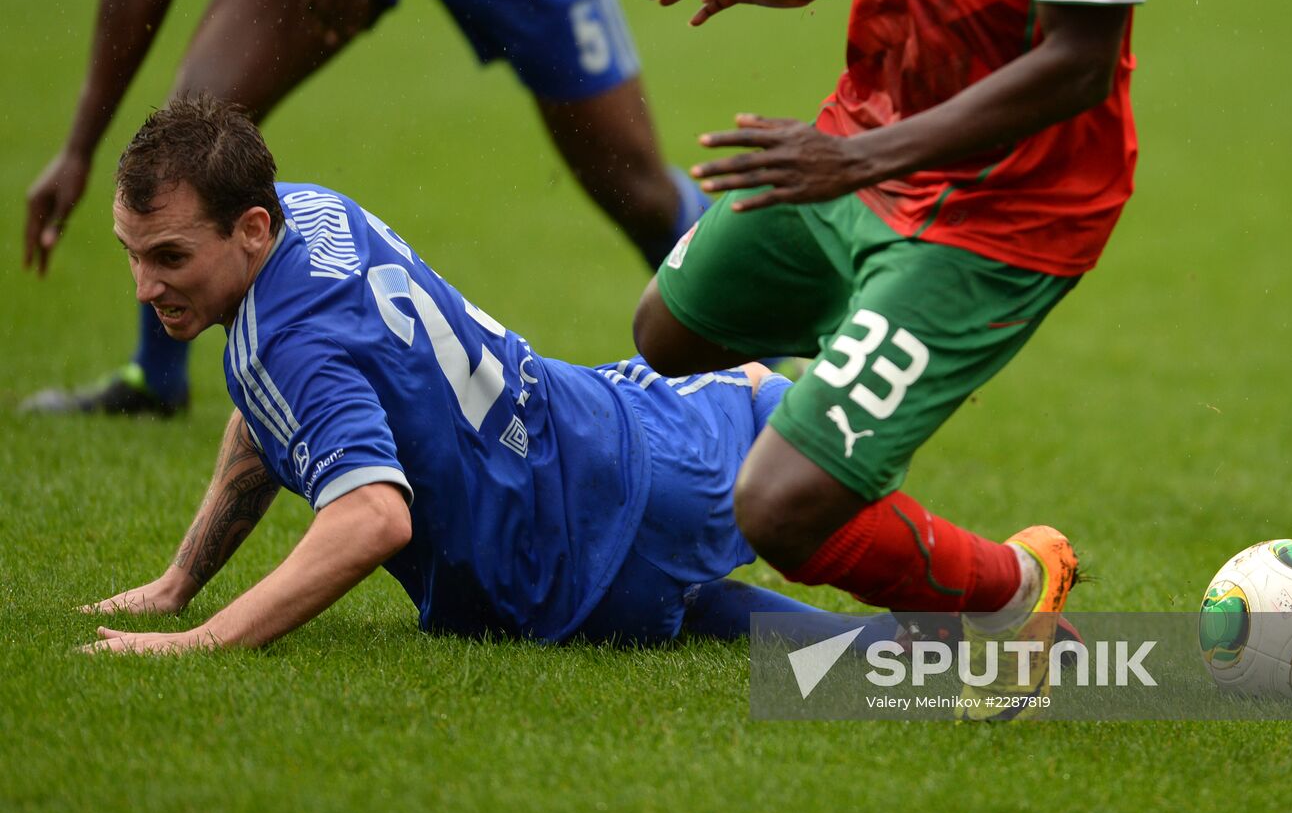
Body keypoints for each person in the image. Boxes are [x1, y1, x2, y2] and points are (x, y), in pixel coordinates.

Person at [632, 0, 1178, 719]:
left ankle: (1010, 589)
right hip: (867, 136)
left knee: (779, 509)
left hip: (992, 218)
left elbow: (1080, 64)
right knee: (671, 331)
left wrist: (857, 162)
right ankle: (846, 424)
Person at [82, 94, 842, 654]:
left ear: (250, 229)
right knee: (776, 414)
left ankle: (923, 309)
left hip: (580, 561)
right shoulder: (309, 209)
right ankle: (959, 671)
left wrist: (200, 640)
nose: (144, 287)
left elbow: (372, 516)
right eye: (131, 252)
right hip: (604, 481)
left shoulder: (284, 346)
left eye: (169, 257)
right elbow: (274, 415)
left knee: (785, 433)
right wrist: (180, 581)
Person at [23, 0, 707, 417]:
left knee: (634, 187)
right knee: (191, 130)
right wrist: (78, 150)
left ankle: (745, 326)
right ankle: (156, 379)